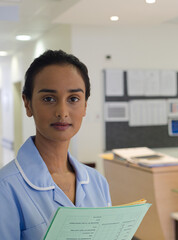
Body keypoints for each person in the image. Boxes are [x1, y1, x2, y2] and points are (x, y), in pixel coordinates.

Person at [0, 50, 112, 240]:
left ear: (85, 105)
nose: (62, 111)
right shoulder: (6, 187)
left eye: (73, 99)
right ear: (27, 104)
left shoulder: (97, 182)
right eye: (48, 99)